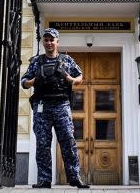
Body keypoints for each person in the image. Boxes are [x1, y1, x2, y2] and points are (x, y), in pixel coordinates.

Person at [21, 28, 89, 189]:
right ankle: (44, 180)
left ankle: (74, 177)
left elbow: (80, 77)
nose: (49, 43)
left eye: (52, 40)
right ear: (43, 42)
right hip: (42, 105)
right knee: (43, 143)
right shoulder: (36, 61)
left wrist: (71, 79)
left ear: (57, 42)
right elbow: (24, 81)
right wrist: (35, 80)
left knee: (68, 141)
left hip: (61, 105)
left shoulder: (66, 60)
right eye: (46, 40)